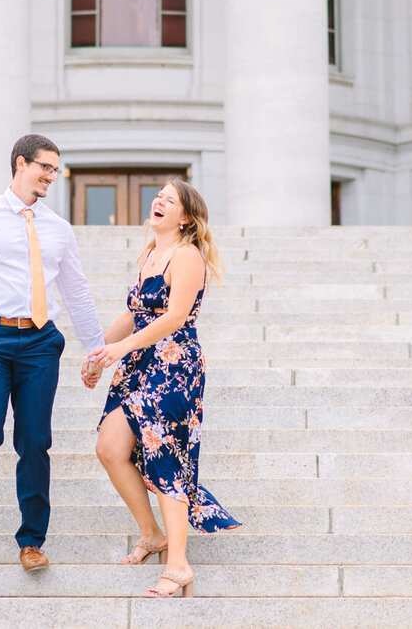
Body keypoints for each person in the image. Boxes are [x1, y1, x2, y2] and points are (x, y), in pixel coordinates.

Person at [0, 134, 104, 573]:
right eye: (44, 167)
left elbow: (76, 292)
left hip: (39, 343)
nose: (51, 175)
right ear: (20, 164)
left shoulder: (58, 229)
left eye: (55, 169)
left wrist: (97, 348)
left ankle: (31, 541)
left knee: (35, 442)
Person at [86, 178, 241, 598]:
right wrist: (100, 353)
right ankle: (151, 533)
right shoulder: (152, 254)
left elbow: (174, 317)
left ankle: (178, 565)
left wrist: (120, 348)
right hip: (139, 362)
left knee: (165, 455)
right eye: (159, 196)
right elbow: (134, 312)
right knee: (109, 447)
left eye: (169, 200)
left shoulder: (187, 255)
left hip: (173, 365)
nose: (159, 201)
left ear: (185, 217)